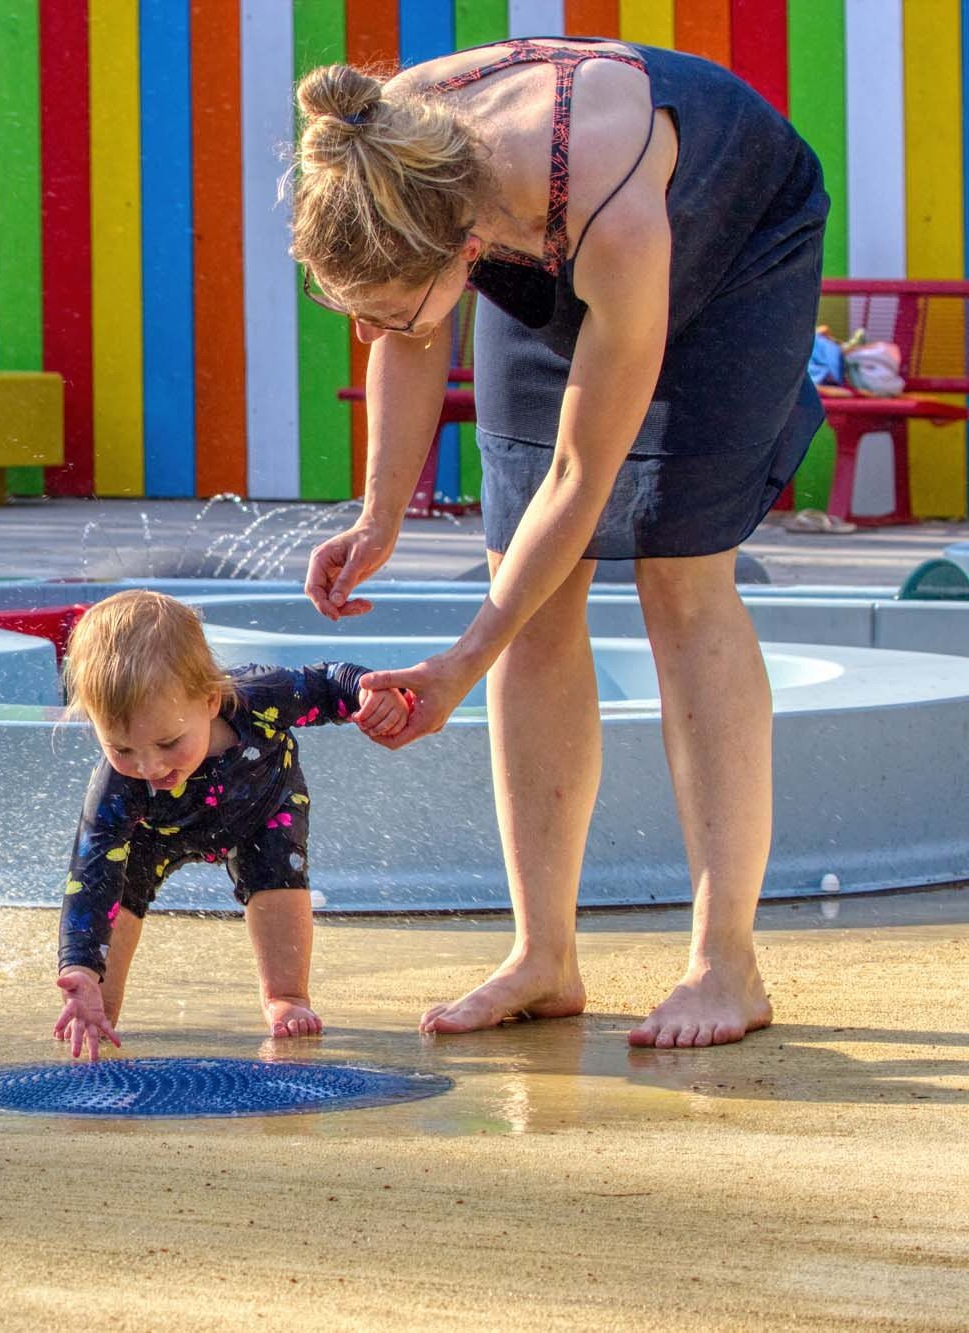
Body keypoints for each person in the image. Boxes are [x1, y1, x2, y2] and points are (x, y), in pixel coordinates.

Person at [291, 38, 828, 1048]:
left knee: (679, 579)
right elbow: (406, 335)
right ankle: (541, 956)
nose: (370, 333)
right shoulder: (391, 153)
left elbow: (582, 480)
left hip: (727, 241)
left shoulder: (608, 200)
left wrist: (455, 663)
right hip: (531, 225)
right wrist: (379, 514)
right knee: (527, 595)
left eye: (382, 309)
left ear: (454, 254)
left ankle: (724, 962)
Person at [50, 590, 408, 1060]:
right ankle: (101, 1007)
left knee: (277, 878)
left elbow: (325, 683)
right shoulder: (119, 786)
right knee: (118, 898)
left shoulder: (260, 699)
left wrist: (366, 691)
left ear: (210, 700)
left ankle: (287, 998)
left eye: (168, 742)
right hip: (151, 835)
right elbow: (90, 874)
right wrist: (78, 965)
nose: (150, 765)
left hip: (261, 806)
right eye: (122, 749)